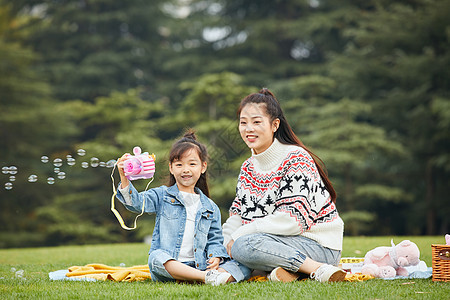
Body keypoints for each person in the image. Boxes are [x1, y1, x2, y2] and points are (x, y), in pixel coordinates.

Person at [222, 88, 346, 283]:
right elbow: (237, 214)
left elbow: (293, 221)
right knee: (233, 246)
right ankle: (286, 273)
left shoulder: (296, 158)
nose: (248, 129)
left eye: (256, 122)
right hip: (273, 243)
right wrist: (226, 241)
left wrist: (238, 237)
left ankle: (319, 269)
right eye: (243, 123)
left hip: (317, 245)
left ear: (274, 125)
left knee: (244, 246)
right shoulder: (248, 167)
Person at [116, 130, 250, 285]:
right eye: (179, 164)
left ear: (203, 167)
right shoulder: (162, 195)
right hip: (170, 265)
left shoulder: (210, 207)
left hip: (199, 264)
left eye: (192, 164)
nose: (186, 169)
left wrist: (216, 256)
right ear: (171, 168)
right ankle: (205, 277)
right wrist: (124, 176)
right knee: (155, 257)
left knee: (243, 265)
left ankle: (203, 275)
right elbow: (136, 204)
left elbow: (215, 239)